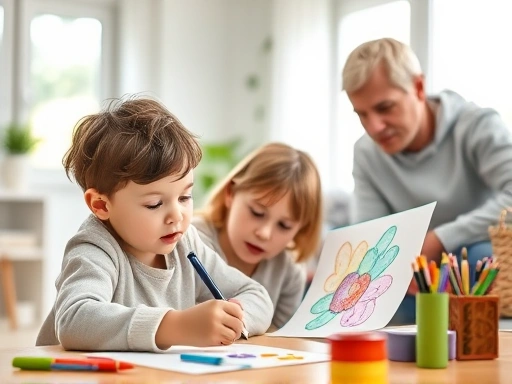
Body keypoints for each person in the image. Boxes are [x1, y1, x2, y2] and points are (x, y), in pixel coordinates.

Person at [36, 96, 273, 351]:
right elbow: (75, 321)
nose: (177, 216)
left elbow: (256, 295)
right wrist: (175, 326)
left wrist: (233, 319)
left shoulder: (186, 243)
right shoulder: (95, 248)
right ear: (101, 205)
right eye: (154, 204)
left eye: (185, 197)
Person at [342, 38, 512, 324]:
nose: (374, 127)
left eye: (385, 108)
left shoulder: (476, 126)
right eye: (362, 114)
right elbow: (369, 233)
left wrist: (440, 239)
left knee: (479, 261)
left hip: (475, 252)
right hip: (411, 265)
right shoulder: (366, 152)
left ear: (419, 88)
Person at [193, 142, 323, 329]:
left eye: (284, 226)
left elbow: (281, 339)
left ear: (300, 229)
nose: (264, 233)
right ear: (231, 193)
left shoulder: (290, 269)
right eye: (256, 213)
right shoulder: (192, 240)